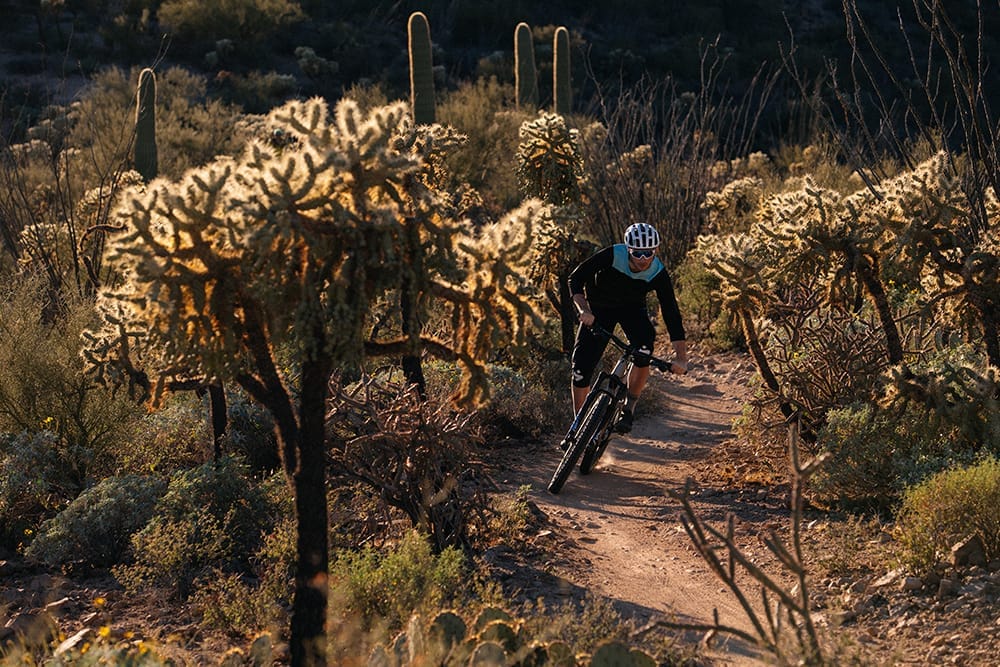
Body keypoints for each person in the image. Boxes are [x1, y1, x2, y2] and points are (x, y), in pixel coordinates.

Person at [567, 222, 688, 434]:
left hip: (632, 310)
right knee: (580, 370)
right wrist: (584, 310)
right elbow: (576, 279)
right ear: (628, 249)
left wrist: (681, 357)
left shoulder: (658, 272)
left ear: (655, 250)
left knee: (643, 351)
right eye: (637, 253)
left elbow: (671, 313)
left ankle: (628, 408)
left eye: (648, 253)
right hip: (598, 309)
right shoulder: (613, 255)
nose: (643, 259)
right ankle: (581, 425)